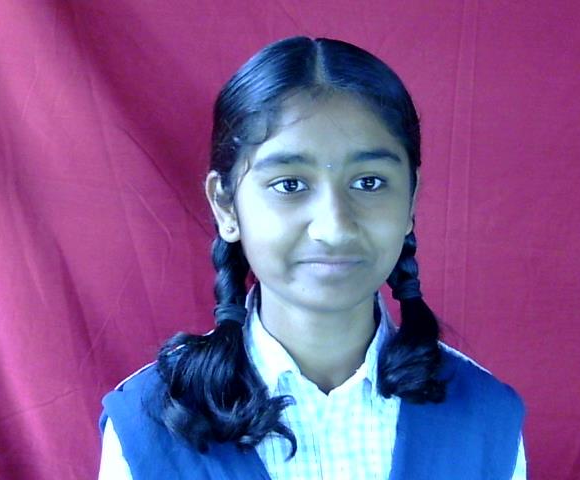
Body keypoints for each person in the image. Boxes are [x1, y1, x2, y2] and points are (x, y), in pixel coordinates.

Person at [98, 36, 526, 479]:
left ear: (411, 199)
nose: (334, 228)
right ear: (225, 206)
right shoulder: (150, 428)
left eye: (369, 182)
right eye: (290, 185)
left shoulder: (485, 418)